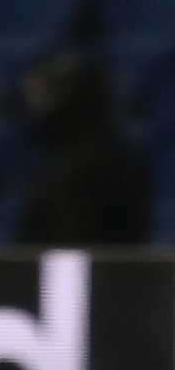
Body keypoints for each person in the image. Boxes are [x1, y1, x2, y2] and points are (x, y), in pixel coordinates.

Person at [12, 52, 151, 245]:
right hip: (63, 265)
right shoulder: (55, 164)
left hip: (95, 268)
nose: (41, 109)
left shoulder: (110, 163)